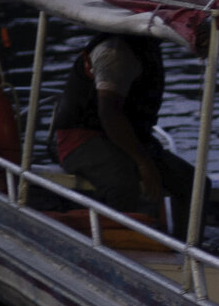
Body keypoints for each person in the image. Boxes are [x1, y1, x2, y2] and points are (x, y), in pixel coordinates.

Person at [52, 33, 192, 230]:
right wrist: (144, 163)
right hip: (82, 138)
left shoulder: (146, 47)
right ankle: (118, 245)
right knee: (122, 183)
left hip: (130, 136)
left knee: (191, 182)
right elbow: (109, 113)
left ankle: (186, 245)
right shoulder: (114, 51)